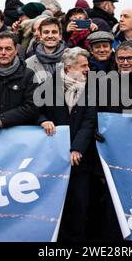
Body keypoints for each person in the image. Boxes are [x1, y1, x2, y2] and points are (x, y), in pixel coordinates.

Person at [38, 47, 98, 242]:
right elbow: (35, 110)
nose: (88, 69)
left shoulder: (91, 88)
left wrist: (77, 148)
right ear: (70, 67)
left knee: (80, 205)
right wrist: (42, 120)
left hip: (81, 160)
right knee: (56, 205)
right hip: (54, 159)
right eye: (84, 66)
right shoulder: (49, 86)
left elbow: (89, 122)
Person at [25, 17, 66, 84]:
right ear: (40, 36)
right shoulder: (29, 63)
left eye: (54, 32)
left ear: (60, 36)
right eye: (46, 32)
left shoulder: (72, 59)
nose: (50, 36)